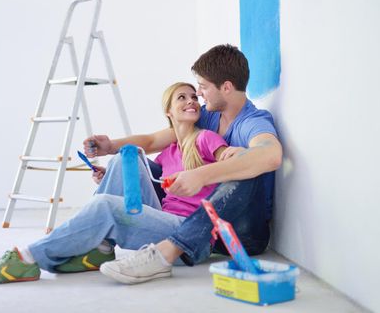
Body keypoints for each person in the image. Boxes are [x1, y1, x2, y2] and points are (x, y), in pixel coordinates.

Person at [0, 82, 228, 284]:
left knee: (106, 205)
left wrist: (233, 155)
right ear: (169, 112)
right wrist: (112, 171)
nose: (192, 101)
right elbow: (148, 144)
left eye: (194, 96)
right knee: (124, 160)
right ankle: (102, 247)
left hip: (187, 237)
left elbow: (227, 159)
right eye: (182, 97)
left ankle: (28, 258)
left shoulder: (205, 138)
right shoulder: (170, 151)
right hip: (162, 222)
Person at [91, 44, 283, 285]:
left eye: (203, 87)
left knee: (245, 166)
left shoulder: (252, 121)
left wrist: (203, 175)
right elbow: (153, 140)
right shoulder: (210, 114)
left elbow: (271, 154)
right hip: (203, 222)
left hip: (241, 230)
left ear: (226, 87)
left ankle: (165, 252)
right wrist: (110, 146)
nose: (199, 94)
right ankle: (99, 242)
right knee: (131, 159)